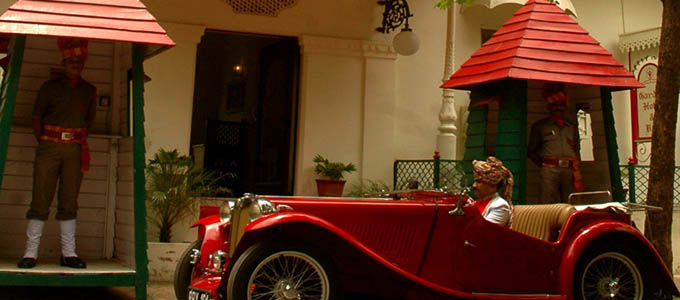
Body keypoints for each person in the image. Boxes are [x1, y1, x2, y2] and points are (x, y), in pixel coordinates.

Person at [17, 38, 96, 269]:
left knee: (69, 199)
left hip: (74, 148)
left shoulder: (89, 90)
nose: (75, 64)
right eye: (71, 61)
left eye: (79, 61)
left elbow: (89, 122)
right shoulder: (49, 87)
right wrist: (44, 140)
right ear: (63, 63)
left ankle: (68, 254)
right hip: (49, 147)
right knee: (40, 197)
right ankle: (30, 253)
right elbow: (36, 117)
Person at [528, 82, 583, 204]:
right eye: (555, 104)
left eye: (562, 104)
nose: (559, 107)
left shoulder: (571, 127)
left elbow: (576, 148)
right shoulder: (540, 126)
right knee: (548, 203)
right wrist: (545, 164)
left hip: (569, 170)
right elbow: (531, 151)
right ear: (549, 107)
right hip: (549, 170)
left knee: (570, 202)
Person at [471, 157, 514, 227]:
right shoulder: (475, 203)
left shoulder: (500, 206)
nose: (474, 186)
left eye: (479, 182)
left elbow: (484, 232)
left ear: (493, 185)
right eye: (475, 181)